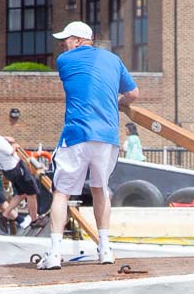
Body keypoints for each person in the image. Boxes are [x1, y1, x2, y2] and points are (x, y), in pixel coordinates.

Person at [40, 21, 136, 269]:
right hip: (107, 136)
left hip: (77, 133)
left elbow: (82, 85)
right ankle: (105, 249)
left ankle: (53, 254)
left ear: (80, 40)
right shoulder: (114, 60)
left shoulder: (64, 61)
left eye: (67, 40)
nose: (63, 45)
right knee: (100, 188)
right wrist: (117, 100)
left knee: (61, 191)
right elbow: (134, 94)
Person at [0, 117, 37, 228]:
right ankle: (35, 220)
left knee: (22, 193)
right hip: (16, 168)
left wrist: (5, 139)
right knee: (31, 193)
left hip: (8, 170)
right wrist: (14, 145)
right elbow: (10, 151)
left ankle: (4, 215)